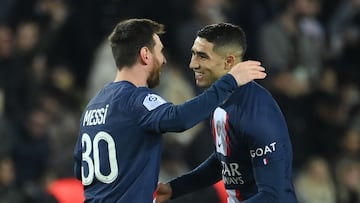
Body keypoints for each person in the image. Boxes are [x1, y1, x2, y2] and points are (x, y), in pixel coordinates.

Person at [73, 18, 266, 203]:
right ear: (145, 55)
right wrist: (229, 82)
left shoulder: (93, 105)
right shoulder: (136, 99)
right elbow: (179, 118)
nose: (163, 60)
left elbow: (79, 169)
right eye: (160, 51)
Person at [155, 22, 298, 203]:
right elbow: (225, 161)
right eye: (193, 54)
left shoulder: (257, 112)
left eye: (202, 56)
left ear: (229, 62)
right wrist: (175, 188)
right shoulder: (221, 100)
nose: (193, 64)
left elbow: (272, 196)